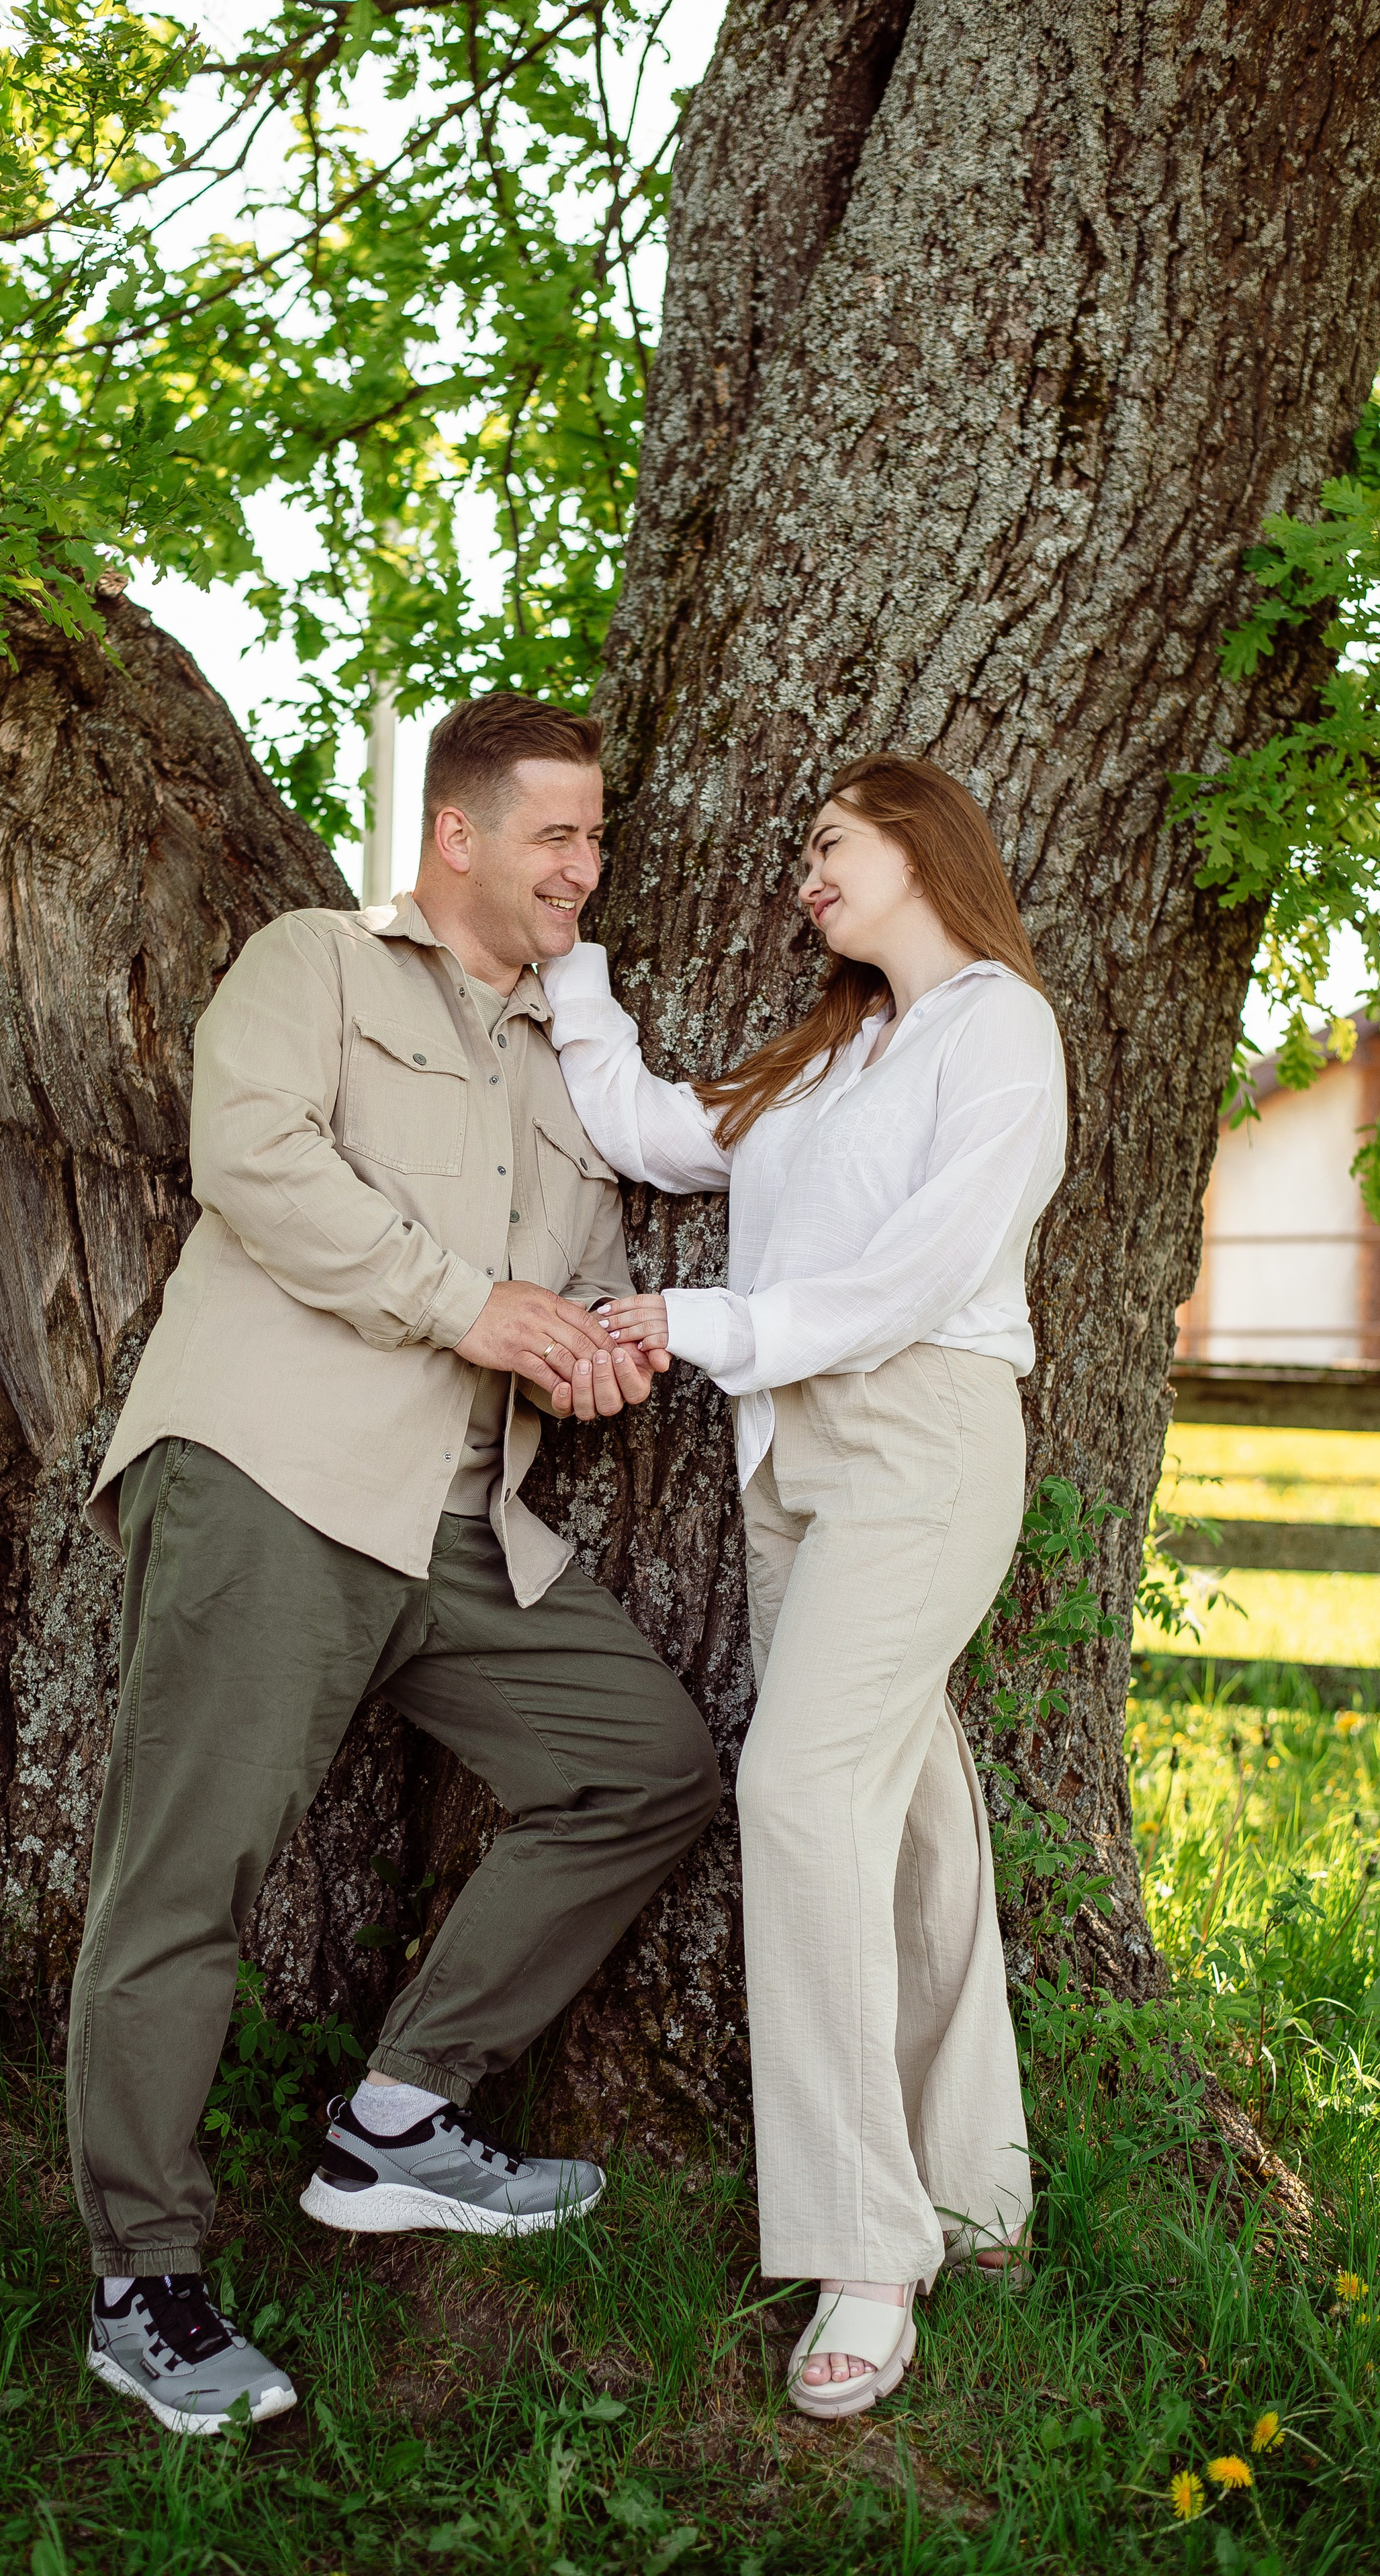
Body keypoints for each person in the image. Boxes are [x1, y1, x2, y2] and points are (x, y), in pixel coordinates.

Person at [67, 691, 722, 2436]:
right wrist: (470, 1305)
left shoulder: (563, 1067)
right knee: (183, 1879)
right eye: (556, 834)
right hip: (280, 1477)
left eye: (595, 838)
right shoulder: (319, 965)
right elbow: (253, 1159)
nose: (585, 867)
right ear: (457, 835)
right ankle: (140, 2281)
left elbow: (561, 1292)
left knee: (644, 1767)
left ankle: (396, 2120)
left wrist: (589, 1352)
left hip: (464, 1523)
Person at [540, 753, 1066, 2420]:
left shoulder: (997, 1029)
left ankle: (864, 2249)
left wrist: (705, 1324)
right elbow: (642, 1127)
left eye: (830, 843)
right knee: (904, 1822)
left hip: (920, 1439)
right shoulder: (830, 1053)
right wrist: (569, 969)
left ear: (919, 842)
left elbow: (922, 1268)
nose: (804, 875)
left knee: (796, 1792)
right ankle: (974, 2181)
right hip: (790, 1463)